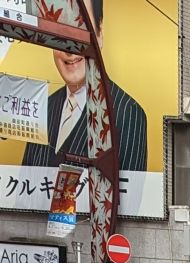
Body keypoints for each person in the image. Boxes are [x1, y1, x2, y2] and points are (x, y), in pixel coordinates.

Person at [20, 0, 147, 172]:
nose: (69, 49)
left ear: (100, 33)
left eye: (79, 30)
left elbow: (128, 196)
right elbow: (24, 190)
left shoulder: (127, 112)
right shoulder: (43, 109)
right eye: (58, 33)